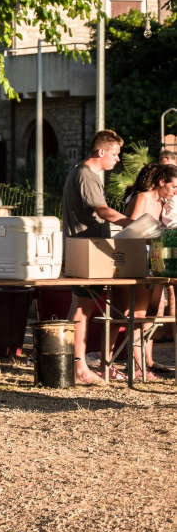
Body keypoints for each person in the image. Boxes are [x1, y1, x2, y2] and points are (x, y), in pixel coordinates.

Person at [62, 129, 134, 384]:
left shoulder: (81, 172)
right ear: (101, 151)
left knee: (80, 308)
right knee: (82, 310)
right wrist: (133, 223)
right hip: (86, 253)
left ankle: (73, 365)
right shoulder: (86, 175)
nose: (117, 159)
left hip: (84, 251)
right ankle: (78, 368)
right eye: (114, 154)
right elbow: (102, 211)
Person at [109, 162, 177, 380]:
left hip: (153, 263)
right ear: (162, 182)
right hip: (134, 261)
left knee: (149, 314)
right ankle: (130, 365)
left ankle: (145, 361)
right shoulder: (142, 198)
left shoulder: (162, 204)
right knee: (131, 315)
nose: (175, 192)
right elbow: (130, 230)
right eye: (174, 187)